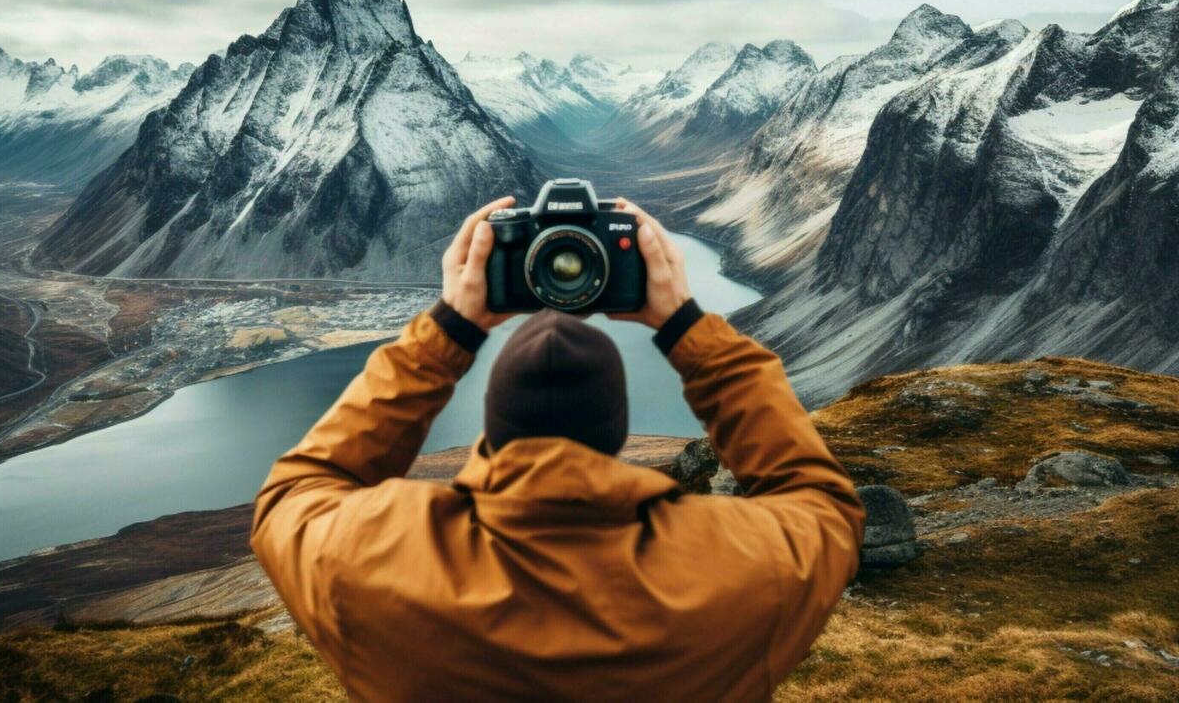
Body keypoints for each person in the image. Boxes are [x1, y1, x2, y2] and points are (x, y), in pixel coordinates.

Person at [250, 196, 865, 702]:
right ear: (615, 431)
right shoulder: (738, 573)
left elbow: (297, 490)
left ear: (492, 430)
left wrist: (446, 333)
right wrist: (683, 325)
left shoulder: (368, 567)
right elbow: (824, 504)